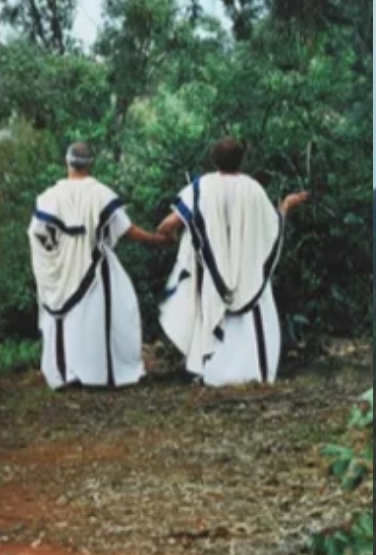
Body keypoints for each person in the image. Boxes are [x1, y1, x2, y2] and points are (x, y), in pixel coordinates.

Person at [154, 138, 311, 386]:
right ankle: (255, 375)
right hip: (251, 276)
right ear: (242, 159)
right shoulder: (254, 189)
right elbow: (271, 227)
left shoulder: (200, 188)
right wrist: (286, 206)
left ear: (214, 160)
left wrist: (180, 238)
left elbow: (167, 225)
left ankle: (215, 376)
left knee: (213, 318)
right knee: (255, 325)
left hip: (213, 279)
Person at [30, 142, 171, 390]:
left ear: (67, 162)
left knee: (67, 321)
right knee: (105, 318)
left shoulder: (48, 197)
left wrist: (58, 256)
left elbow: (38, 234)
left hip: (60, 270)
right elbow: (126, 229)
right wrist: (156, 240)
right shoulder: (100, 193)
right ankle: (100, 374)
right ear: (92, 163)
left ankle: (66, 375)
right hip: (97, 268)